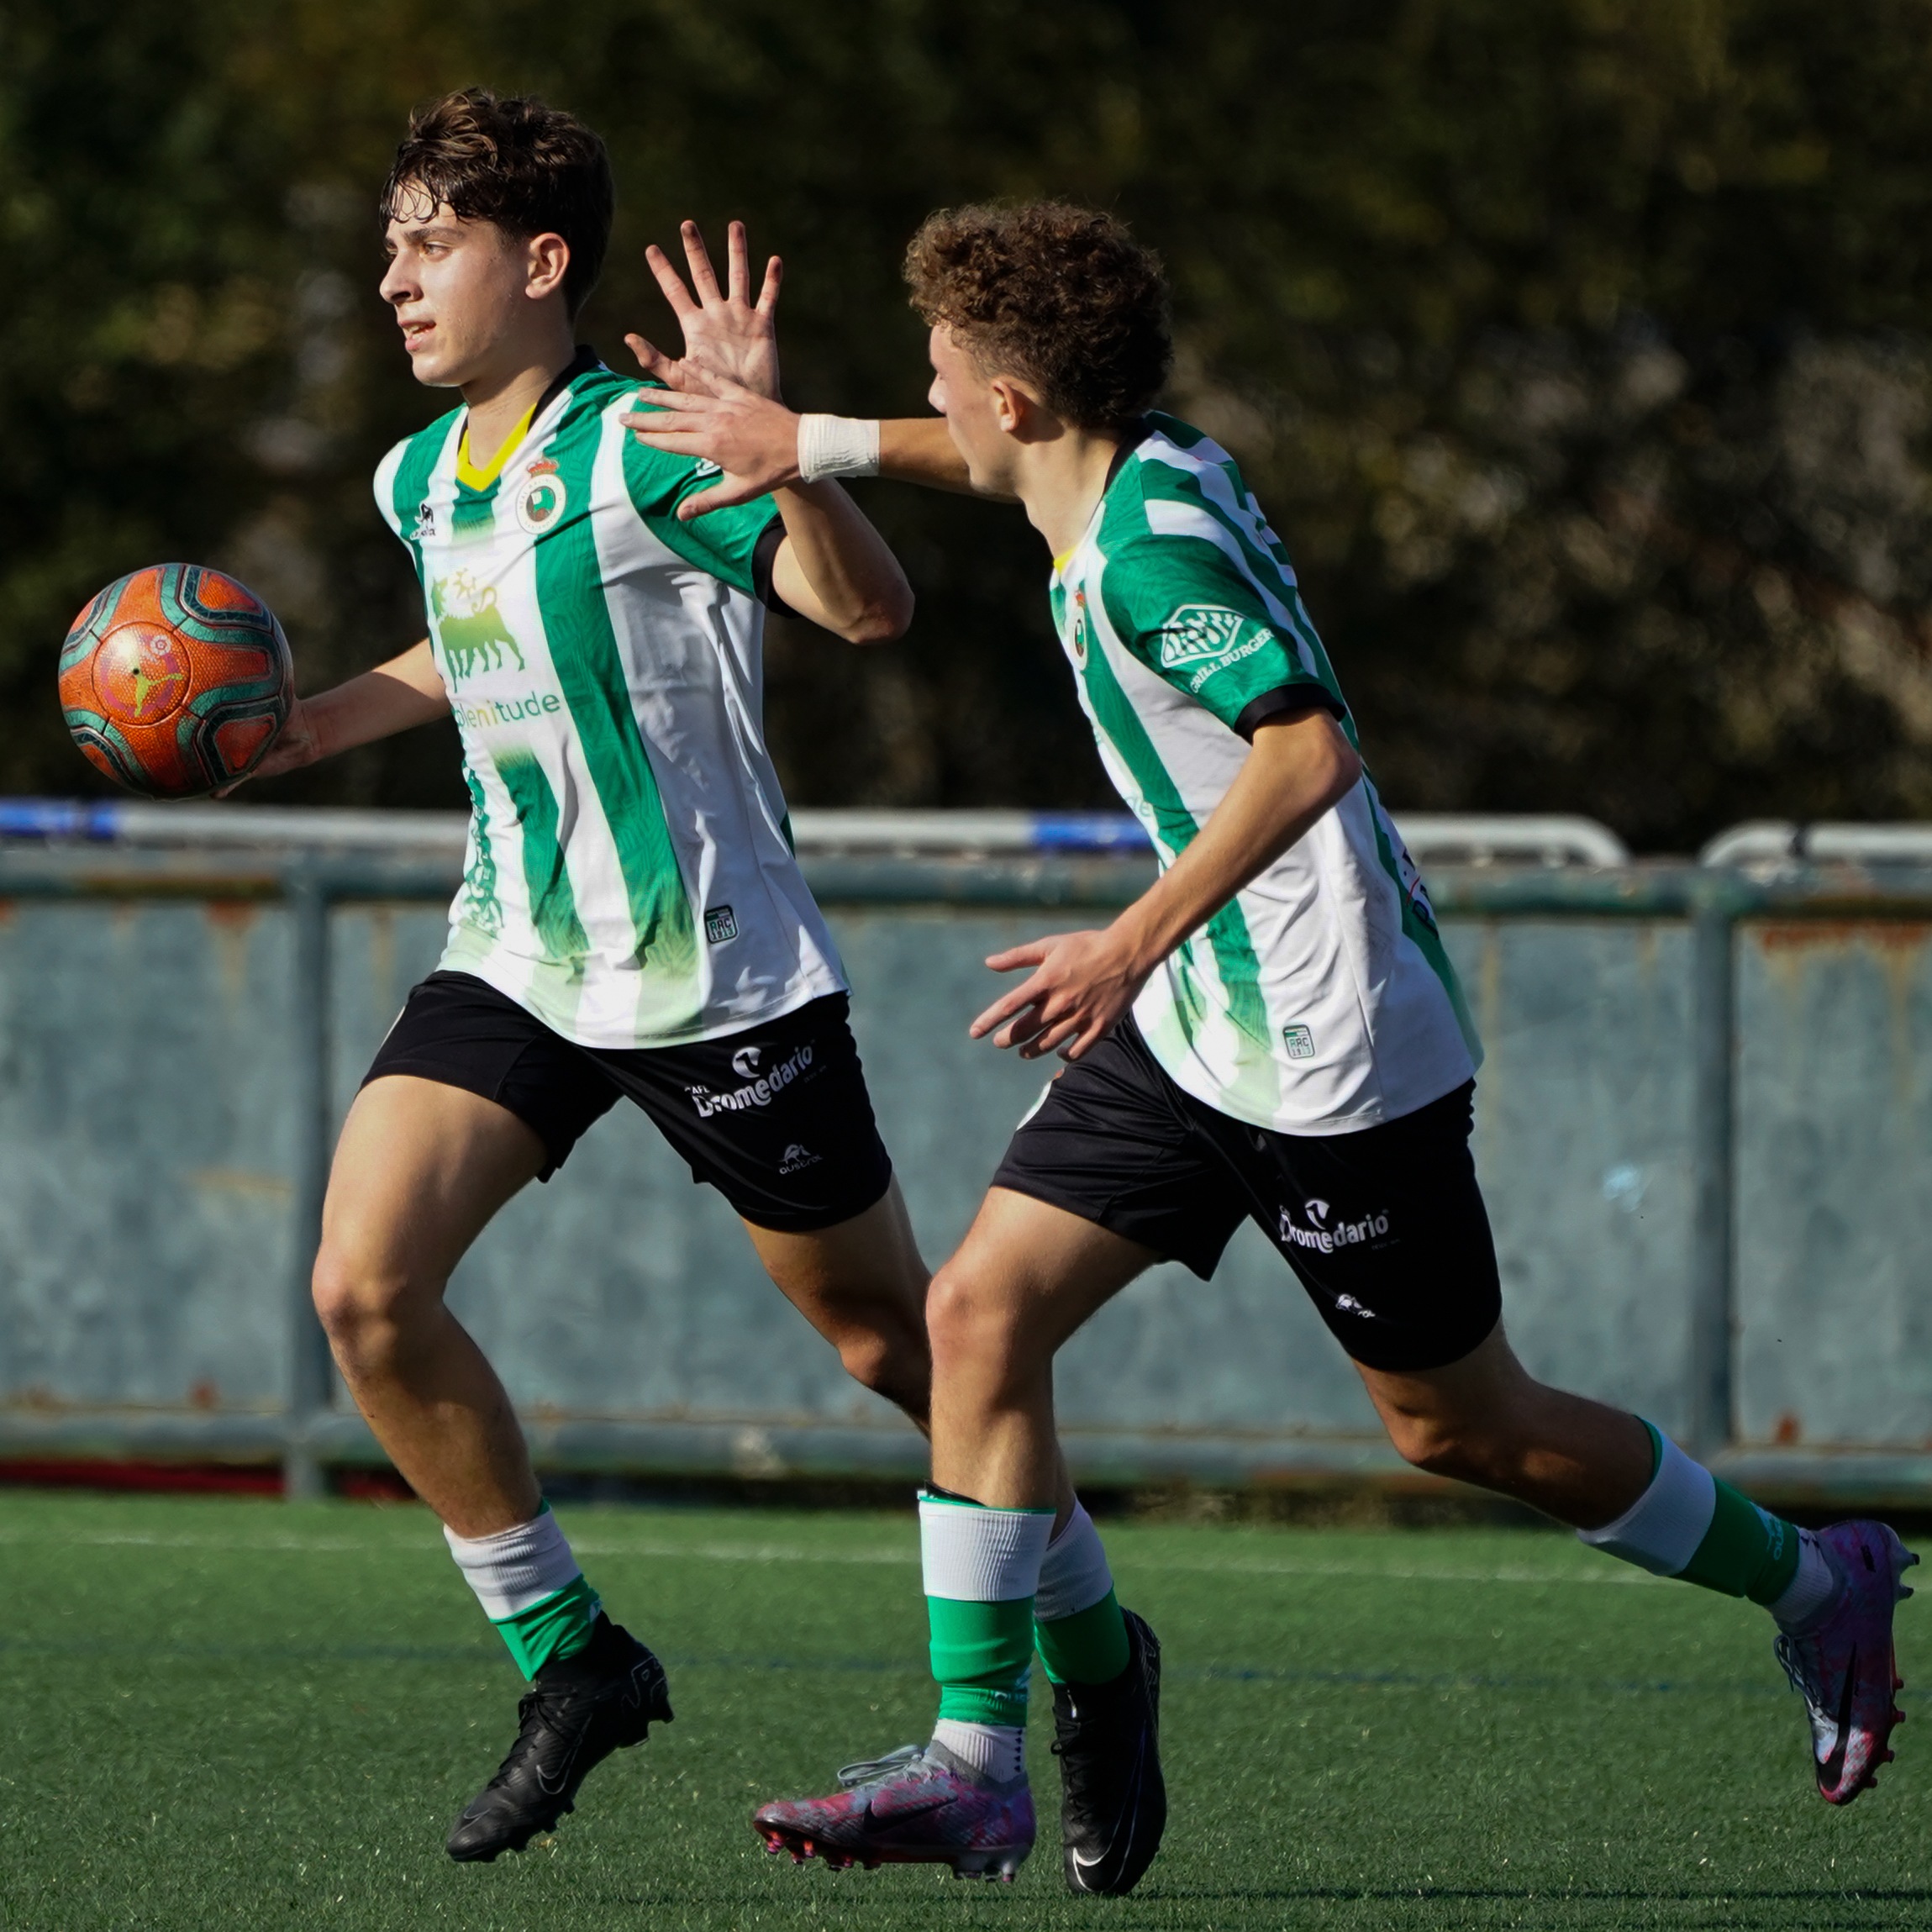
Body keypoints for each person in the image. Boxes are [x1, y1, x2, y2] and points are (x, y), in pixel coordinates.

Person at [625, 198, 1919, 1893]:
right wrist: (807, 440)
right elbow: (988, 455)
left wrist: (1123, 938)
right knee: (974, 1314)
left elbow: (1308, 755)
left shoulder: (1149, 560)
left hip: (1325, 1052)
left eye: (942, 375)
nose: (927, 399)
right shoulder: (1134, 458)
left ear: (1013, 400)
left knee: (1457, 1425)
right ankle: (974, 1760)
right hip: (1195, 1025)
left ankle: (1820, 1582)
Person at [238, 87, 940, 1866]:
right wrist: (317, 721)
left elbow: (864, 617)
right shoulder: (419, 475)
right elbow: (471, 636)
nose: (394, 279)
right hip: (518, 959)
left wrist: (801, 461)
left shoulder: (644, 442)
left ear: (539, 262)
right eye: (389, 244)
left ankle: (1084, 1636)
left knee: (905, 1350)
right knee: (363, 1288)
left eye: (430, 245)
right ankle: (574, 1658)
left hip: (713, 976)